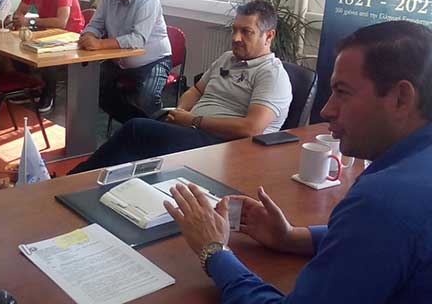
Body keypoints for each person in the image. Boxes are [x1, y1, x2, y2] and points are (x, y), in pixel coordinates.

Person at [164, 20, 432, 303]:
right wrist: (293, 238)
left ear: (401, 98)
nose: (327, 110)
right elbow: (377, 238)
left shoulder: (383, 202)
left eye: (342, 92)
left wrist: (214, 251)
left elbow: (382, 223)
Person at [70, 0, 292, 174]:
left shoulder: (271, 74)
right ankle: (91, 182)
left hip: (224, 146)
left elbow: (251, 128)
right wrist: (181, 111)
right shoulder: (227, 59)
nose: (236, 38)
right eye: (234, 30)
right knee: (136, 138)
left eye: (246, 32)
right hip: (195, 130)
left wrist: (194, 121)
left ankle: (74, 179)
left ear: (269, 35)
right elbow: (197, 90)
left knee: (136, 130)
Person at [79, 0, 172, 123]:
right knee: (90, 86)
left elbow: (137, 39)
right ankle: (133, 125)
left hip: (153, 61)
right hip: (118, 61)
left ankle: (153, 129)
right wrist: (88, 35)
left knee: (146, 99)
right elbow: (96, 24)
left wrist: (99, 44)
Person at [12, 0, 85, 112]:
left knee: (47, 55)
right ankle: (31, 88)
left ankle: (48, 94)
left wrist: (29, 21)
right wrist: (16, 19)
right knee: (17, 46)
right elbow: (20, 12)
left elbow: (61, 22)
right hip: (48, 31)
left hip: (71, 34)